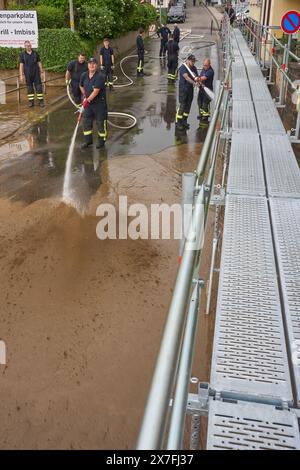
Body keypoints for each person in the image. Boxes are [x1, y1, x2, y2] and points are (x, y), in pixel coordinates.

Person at [79, 57, 108, 149]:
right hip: (88, 104)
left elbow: (96, 91)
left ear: (97, 65)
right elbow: (81, 86)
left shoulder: (100, 76)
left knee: (100, 123)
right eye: (90, 63)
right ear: (88, 65)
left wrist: (87, 100)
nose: (92, 65)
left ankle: (101, 141)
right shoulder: (84, 75)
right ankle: (88, 141)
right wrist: (84, 95)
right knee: (86, 121)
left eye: (94, 63)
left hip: (99, 104)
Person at [176, 54, 199, 131]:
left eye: (194, 62)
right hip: (183, 89)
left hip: (190, 90)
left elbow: (196, 76)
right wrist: (194, 83)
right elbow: (186, 77)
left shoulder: (193, 68)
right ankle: (179, 122)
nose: (193, 63)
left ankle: (184, 120)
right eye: (192, 61)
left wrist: (197, 79)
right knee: (183, 105)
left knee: (188, 105)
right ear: (188, 60)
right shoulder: (183, 68)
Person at [19, 40, 44, 107]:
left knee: (39, 87)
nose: (28, 47)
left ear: (31, 46)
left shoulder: (35, 53)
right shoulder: (22, 55)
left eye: (29, 45)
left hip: (36, 73)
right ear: (25, 46)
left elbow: (39, 62)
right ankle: (31, 102)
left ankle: (41, 101)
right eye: (27, 46)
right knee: (29, 88)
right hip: (27, 74)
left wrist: (41, 72)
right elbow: (21, 65)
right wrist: (21, 75)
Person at [197, 58, 214, 123]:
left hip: (207, 90)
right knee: (199, 102)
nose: (205, 67)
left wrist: (197, 79)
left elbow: (203, 78)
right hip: (201, 89)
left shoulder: (210, 71)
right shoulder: (204, 69)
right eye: (204, 65)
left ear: (209, 65)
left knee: (205, 103)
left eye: (206, 65)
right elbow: (201, 76)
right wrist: (199, 82)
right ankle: (201, 114)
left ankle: (206, 116)